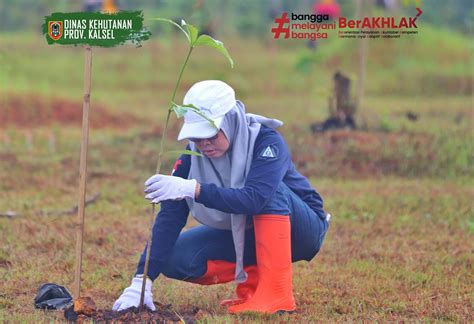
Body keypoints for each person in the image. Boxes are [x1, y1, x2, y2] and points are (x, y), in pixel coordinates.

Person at [113, 80, 330, 314]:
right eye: (197, 137)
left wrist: (195, 189)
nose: (204, 144)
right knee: (175, 256)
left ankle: (277, 294)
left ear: (230, 121)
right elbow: (170, 218)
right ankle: (256, 284)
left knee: (268, 190)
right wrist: (141, 282)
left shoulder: (266, 141)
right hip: (248, 233)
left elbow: (255, 199)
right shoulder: (190, 157)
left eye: (212, 135)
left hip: (302, 232)